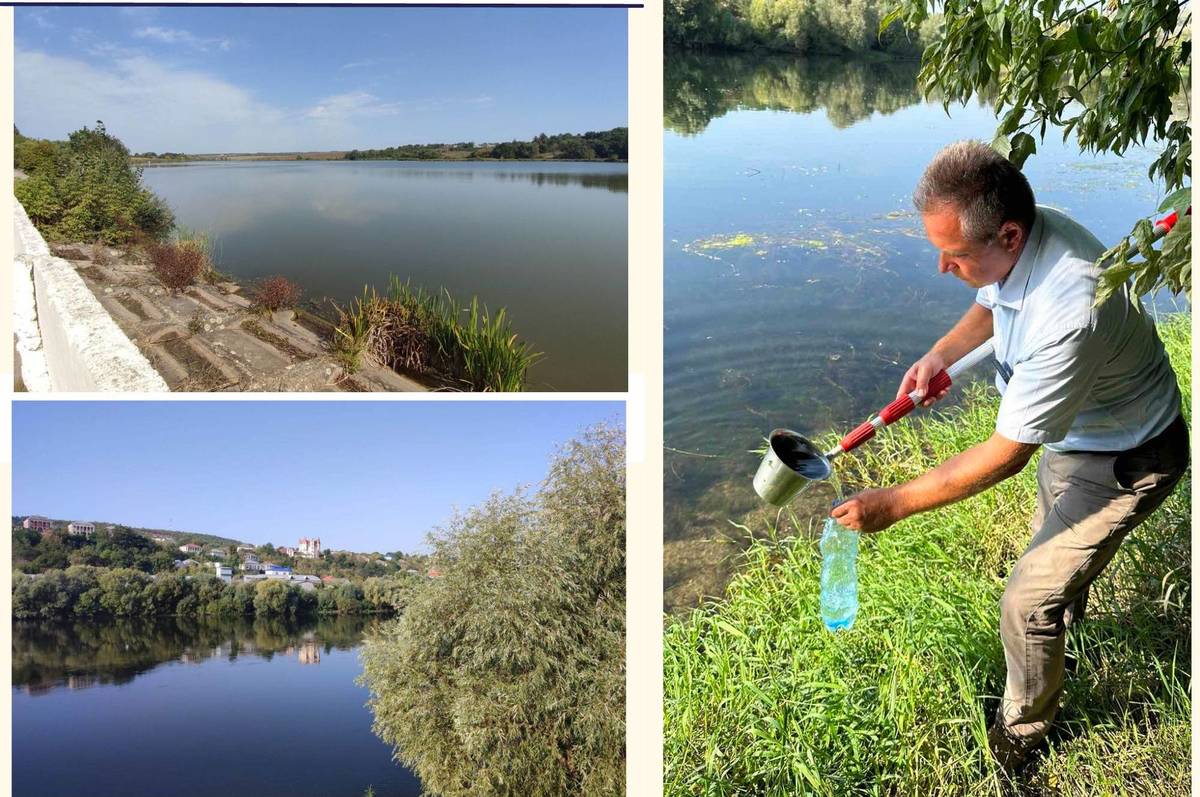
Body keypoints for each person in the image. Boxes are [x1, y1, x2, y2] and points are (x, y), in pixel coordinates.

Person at [830, 140, 1188, 771]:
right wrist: (942, 353)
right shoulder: (1018, 243)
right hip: (1076, 436)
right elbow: (992, 301)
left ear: (1010, 234)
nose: (942, 267)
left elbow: (1004, 454)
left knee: (1026, 598)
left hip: (1131, 458)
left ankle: (1022, 734)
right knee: (1049, 573)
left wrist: (892, 503)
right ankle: (1057, 636)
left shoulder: (1069, 307)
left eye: (954, 254)